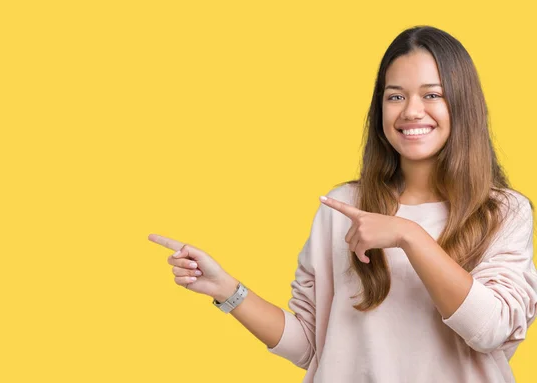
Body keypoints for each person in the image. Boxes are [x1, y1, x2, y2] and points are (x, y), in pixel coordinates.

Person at [148, 25, 537, 382]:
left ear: (463, 104)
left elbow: (491, 331)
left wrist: (408, 235)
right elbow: (313, 344)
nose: (411, 111)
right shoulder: (343, 206)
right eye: (395, 96)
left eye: (432, 95)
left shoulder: (503, 212)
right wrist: (227, 290)